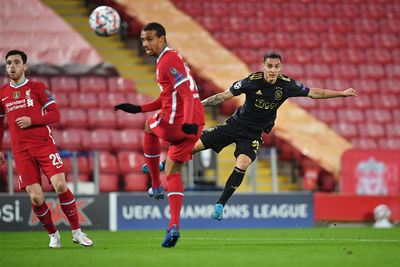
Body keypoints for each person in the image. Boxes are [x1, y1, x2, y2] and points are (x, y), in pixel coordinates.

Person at [143, 51, 357, 221]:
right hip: (234, 125)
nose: (273, 70)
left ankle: (220, 205)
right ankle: (160, 165)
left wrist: (342, 93)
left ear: (280, 67)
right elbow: (223, 96)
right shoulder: (251, 81)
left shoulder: (287, 84)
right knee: (193, 147)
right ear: (263, 66)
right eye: (269, 66)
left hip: (253, 134)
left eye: (276, 66)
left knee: (242, 163)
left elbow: (314, 93)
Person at [114, 22, 205, 247]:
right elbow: (169, 96)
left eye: (150, 39)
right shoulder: (171, 57)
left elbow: (185, 93)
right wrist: (139, 107)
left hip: (179, 121)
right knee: (173, 172)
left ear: (162, 39)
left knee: (148, 126)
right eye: (143, 40)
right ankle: (174, 225)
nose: (145, 44)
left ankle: (155, 184)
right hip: (194, 124)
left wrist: (187, 122)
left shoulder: (168, 60)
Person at [0, 50, 93, 248]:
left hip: (43, 144)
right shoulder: (2, 94)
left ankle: (77, 231)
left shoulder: (37, 87)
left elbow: (55, 115)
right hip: (21, 151)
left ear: (25, 66)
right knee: (35, 196)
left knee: (60, 185)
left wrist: (32, 120)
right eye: (9, 63)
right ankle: (53, 234)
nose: (12, 66)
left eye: (17, 62)